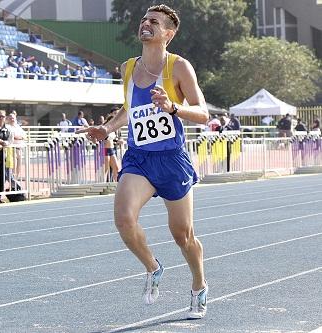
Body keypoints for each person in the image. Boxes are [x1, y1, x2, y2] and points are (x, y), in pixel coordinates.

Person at [77, 4, 209, 319]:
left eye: (154, 21)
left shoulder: (178, 68)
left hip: (171, 159)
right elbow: (129, 110)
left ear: (168, 33)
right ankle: (153, 266)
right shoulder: (127, 68)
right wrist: (106, 128)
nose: (145, 24)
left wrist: (173, 108)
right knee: (124, 218)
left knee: (182, 234)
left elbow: (203, 114)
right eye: (144, 19)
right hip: (138, 158)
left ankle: (199, 285)